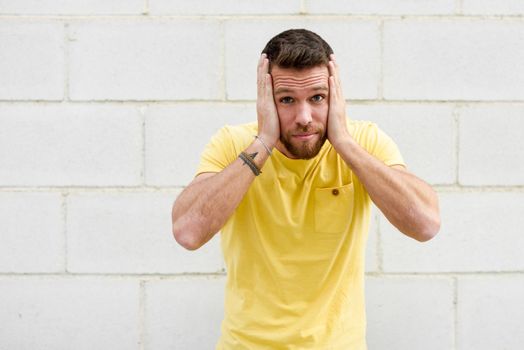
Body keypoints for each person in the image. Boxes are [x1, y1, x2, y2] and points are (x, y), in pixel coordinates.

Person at [171, 29, 440, 349]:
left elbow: (425, 224)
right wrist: (264, 142)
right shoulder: (234, 145)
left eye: (317, 98)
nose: (304, 117)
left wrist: (343, 143)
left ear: (335, 95)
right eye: (286, 99)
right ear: (265, 99)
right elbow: (188, 231)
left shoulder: (363, 141)